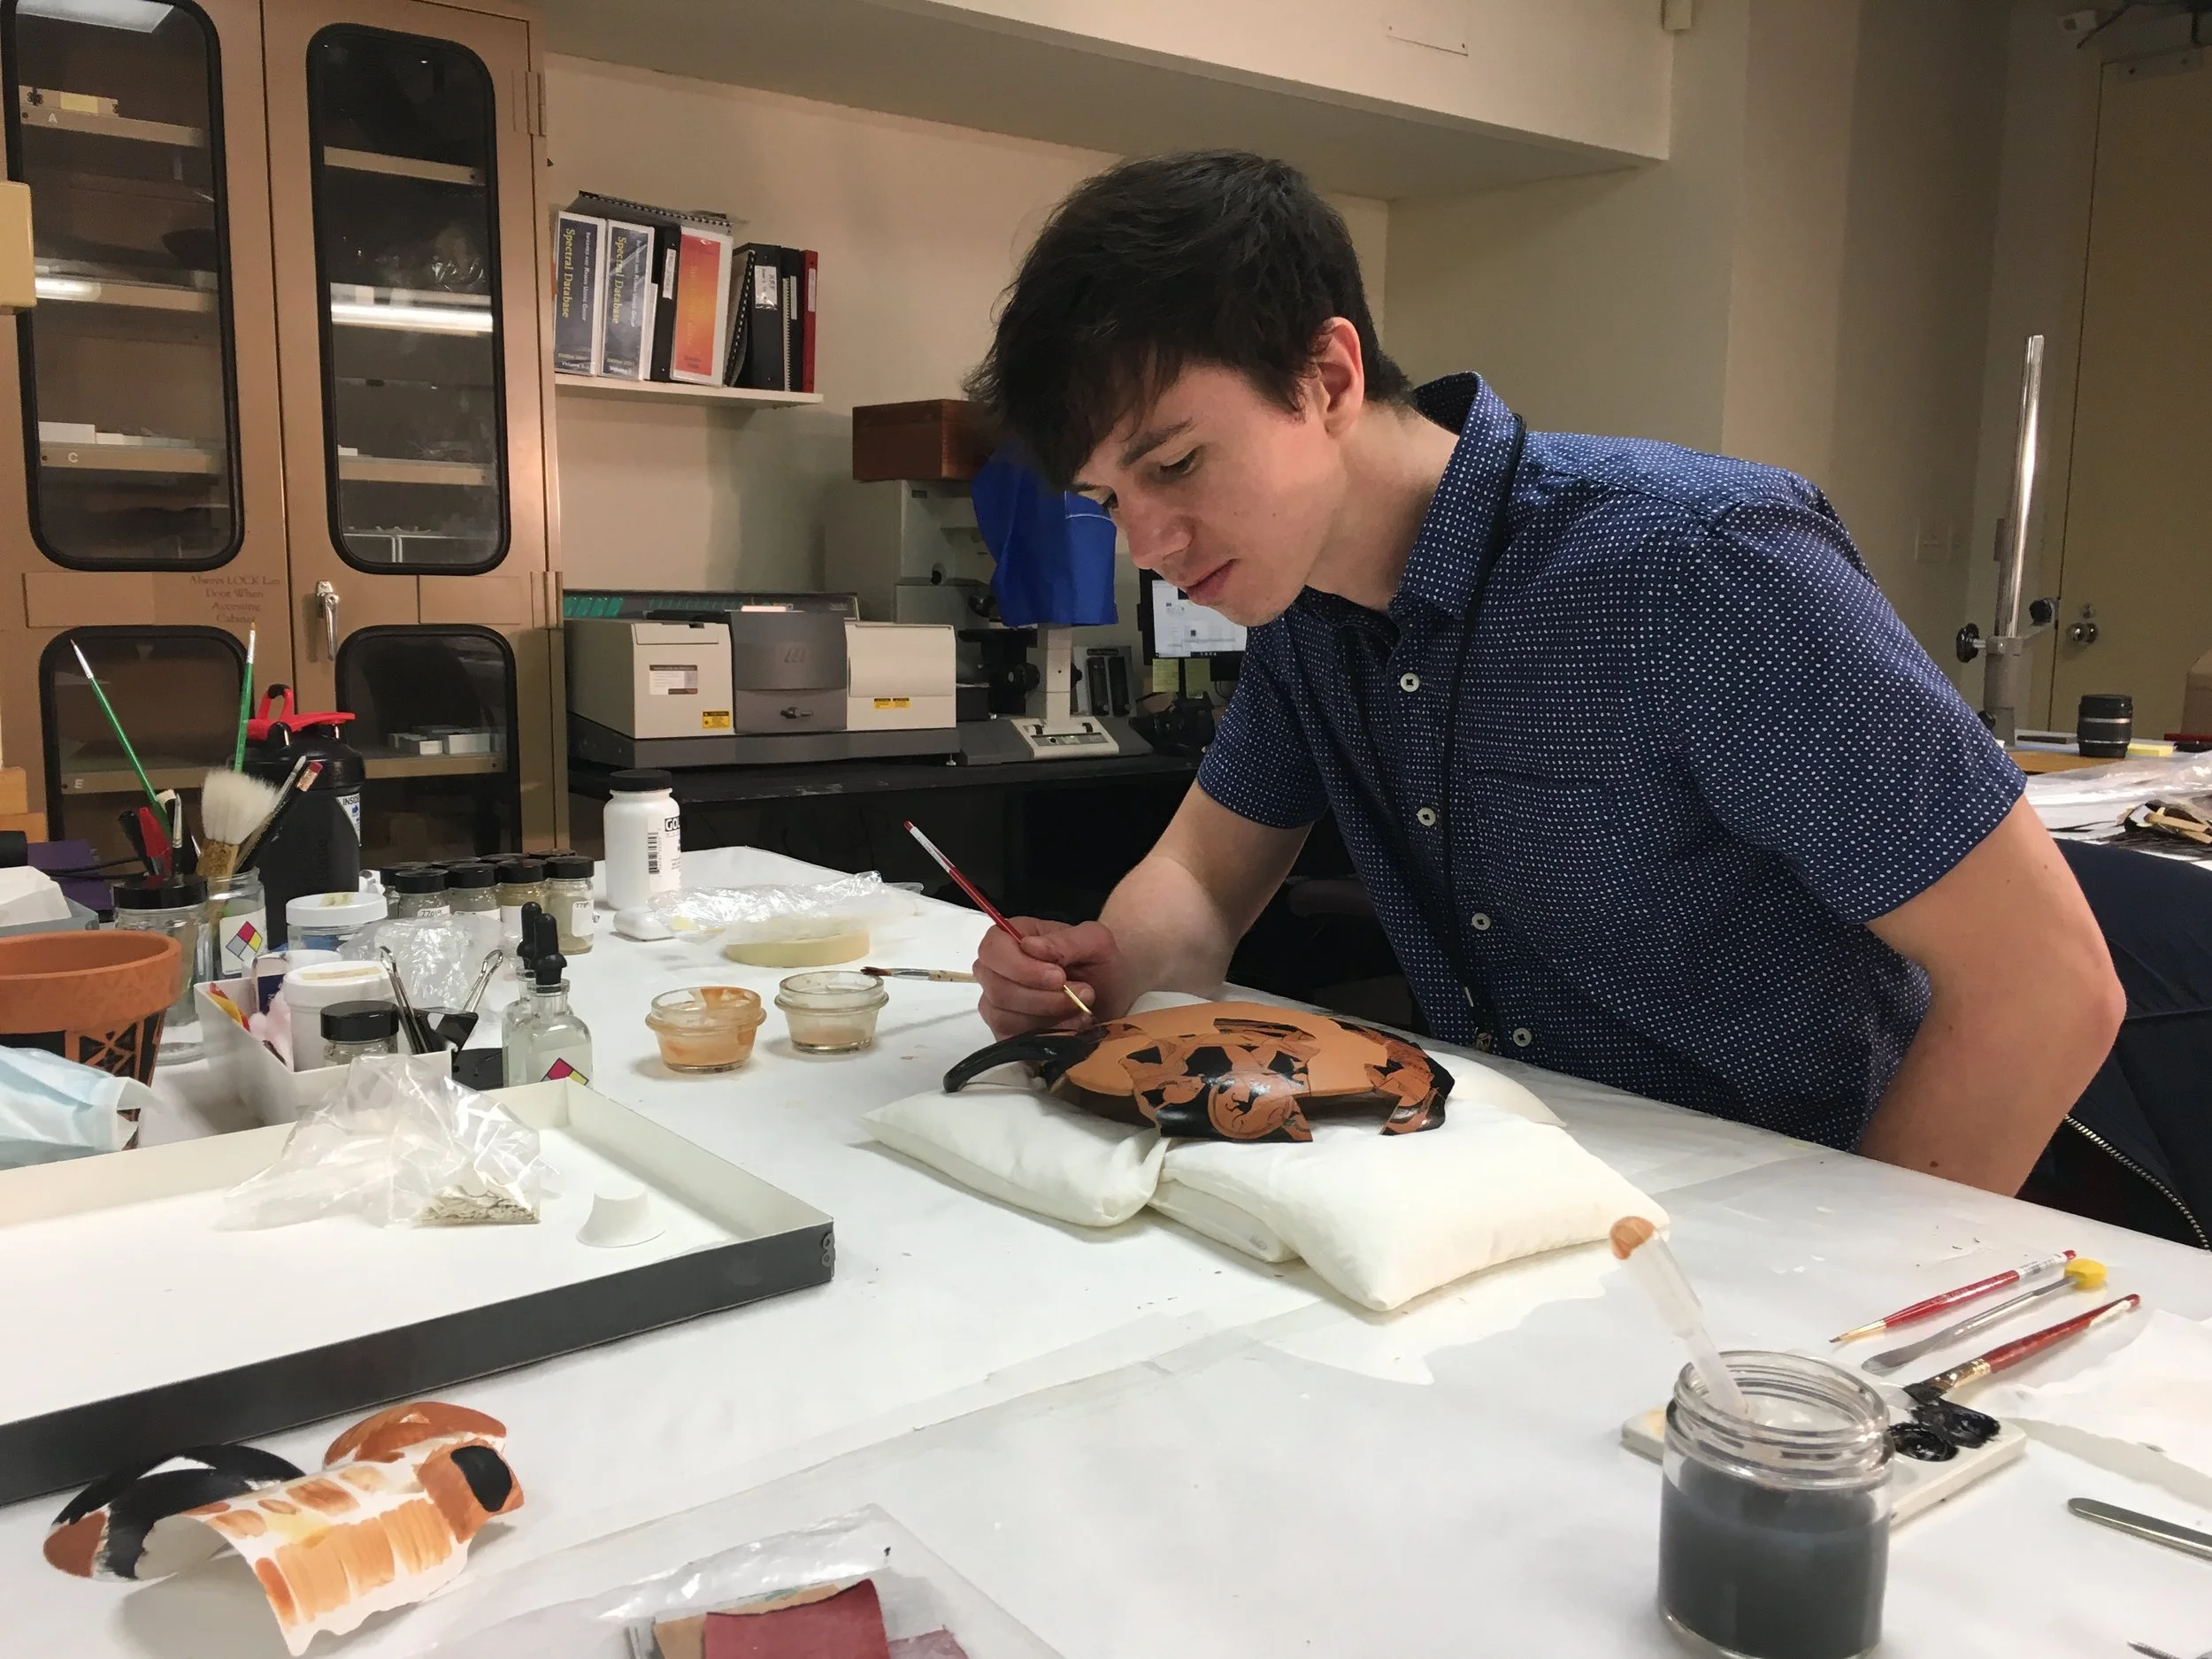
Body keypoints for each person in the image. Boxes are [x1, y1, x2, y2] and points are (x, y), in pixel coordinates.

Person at [962, 150, 2123, 1197]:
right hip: (1529, 1198)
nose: (1150, 545)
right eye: (1113, 501)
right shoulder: (1308, 612)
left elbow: (2048, 982)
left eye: (1177, 463)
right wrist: (1106, 970)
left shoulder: (1699, 568)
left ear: (1327, 376)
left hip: (1800, 1210)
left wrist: (1829, 1315)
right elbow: (1204, 879)